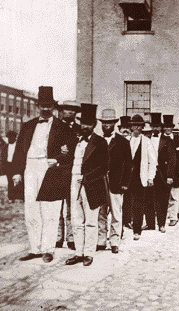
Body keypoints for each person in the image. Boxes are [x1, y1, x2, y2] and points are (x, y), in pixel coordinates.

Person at [12, 86, 75, 263]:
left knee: (50, 210)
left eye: (49, 105)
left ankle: (48, 248)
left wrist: (57, 160)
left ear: (54, 107)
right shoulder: (27, 126)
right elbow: (18, 151)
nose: (45, 109)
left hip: (50, 169)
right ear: (37, 106)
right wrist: (17, 172)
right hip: (30, 168)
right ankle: (35, 248)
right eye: (42, 105)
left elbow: (70, 151)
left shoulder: (62, 127)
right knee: (31, 210)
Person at [65, 103, 108, 267]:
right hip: (73, 183)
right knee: (76, 220)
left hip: (91, 184)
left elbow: (103, 167)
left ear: (94, 125)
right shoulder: (74, 140)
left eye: (88, 123)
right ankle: (78, 252)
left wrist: (86, 177)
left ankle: (89, 253)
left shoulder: (100, 142)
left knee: (91, 221)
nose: (84, 126)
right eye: (82, 122)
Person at [97, 109, 132, 253]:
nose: (106, 125)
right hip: (99, 182)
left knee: (116, 213)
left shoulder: (122, 141)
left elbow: (128, 164)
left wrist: (125, 183)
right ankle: (101, 240)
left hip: (116, 182)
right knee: (101, 212)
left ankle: (114, 241)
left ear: (114, 124)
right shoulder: (97, 140)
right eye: (104, 122)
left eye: (109, 123)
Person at [126, 114, 157, 240]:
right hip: (126, 178)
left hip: (140, 177)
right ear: (131, 127)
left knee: (138, 204)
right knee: (125, 203)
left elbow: (153, 161)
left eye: (139, 126)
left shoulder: (147, 142)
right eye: (134, 126)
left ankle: (137, 230)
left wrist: (150, 177)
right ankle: (123, 227)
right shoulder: (126, 140)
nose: (136, 128)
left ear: (142, 127)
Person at [56, 100, 81, 251]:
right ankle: (58, 237)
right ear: (62, 111)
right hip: (58, 171)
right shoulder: (54, 127)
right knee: (57, 206)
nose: (70, 112)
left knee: (72, 205)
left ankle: (71, 238)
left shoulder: (80, 129)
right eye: (67, 109)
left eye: (73, 110)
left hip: (72, 171)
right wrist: (59, 152)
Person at [150, 113, 176, 232]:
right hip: (149, 174)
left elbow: (172, 159)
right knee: (149, 199)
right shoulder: (146, 139)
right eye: (153, 126)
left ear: (161, 127)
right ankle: (150, 223)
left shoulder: (167, 140)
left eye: (157, 126)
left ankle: (161, 224)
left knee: (162, 199)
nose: (155, 129)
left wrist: (170, 175)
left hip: (163, 174)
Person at [4, 131, 18, 202]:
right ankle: (11, 198)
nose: (9, 139)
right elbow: (3, 157)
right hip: (8, 165)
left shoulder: (18, 146)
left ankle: (21, 196)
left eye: (11, 138)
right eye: (8, 138)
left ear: (14, 138)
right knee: (10, 182)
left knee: (18, 181)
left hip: (16, 165)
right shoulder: (6, 146)